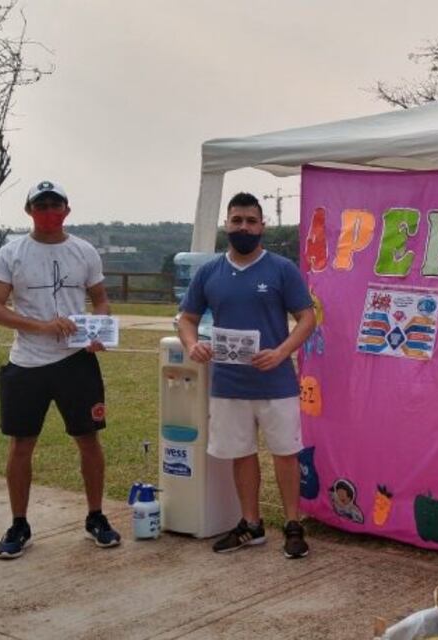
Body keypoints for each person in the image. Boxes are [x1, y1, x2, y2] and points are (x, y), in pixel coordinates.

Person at [0, 180, 121, 559]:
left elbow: (101, 299)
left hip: (76, 362)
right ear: (29, 211)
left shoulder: (84, 251)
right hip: (27, 363)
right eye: (41, 206)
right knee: (21, 444)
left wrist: (98, 329)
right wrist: (41, 327)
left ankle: (95, 516)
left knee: (88, 439)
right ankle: (19, 523)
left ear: (67, 210)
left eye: (55, 205)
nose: (49, 212)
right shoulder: (12, 253)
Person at [177, 192, 315, 558]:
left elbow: (307, 318)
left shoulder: (282, 269)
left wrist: (283, 351)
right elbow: (186, 319)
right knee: (241, 453)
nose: (243, 227)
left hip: (277, 382)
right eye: (237, 220)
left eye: (251, 221)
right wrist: (193, 345)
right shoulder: (209, 272)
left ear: (262, 226)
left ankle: (292, 524)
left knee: (285, 453)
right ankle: (251, 525)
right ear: (227, 224)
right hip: (229, 384)